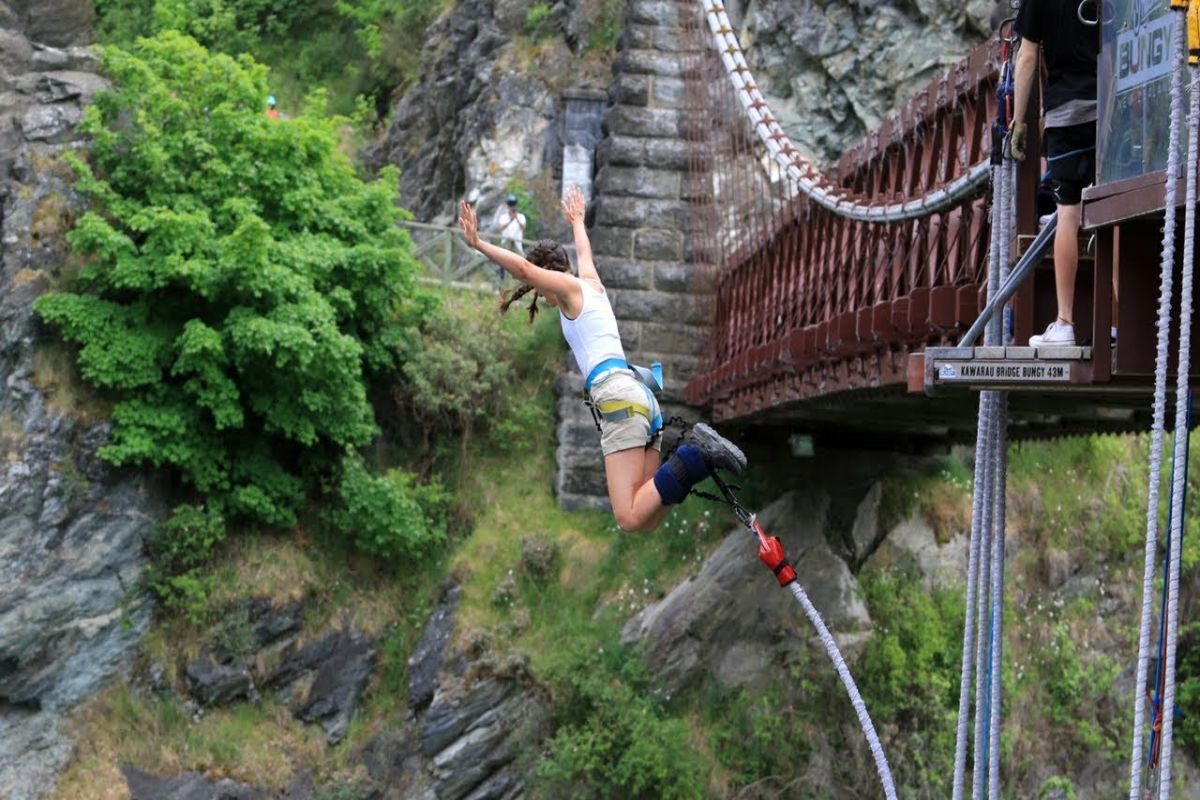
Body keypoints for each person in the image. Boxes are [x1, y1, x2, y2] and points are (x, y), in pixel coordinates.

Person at [457, 186, 747, 532]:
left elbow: (522, 269)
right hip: (643, 399)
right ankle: (694, 460)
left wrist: (478, 243)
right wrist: (577, 221)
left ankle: (696, 454)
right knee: (645, 517)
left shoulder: (568, 290)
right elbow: (584, 253)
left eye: (539, 285)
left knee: (627, 517)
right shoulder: (591, 284)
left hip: (617, 398)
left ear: (549, 275)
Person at [1011, 0, 1100, 347]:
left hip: (1067, 111)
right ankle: (1122, 327)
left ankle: (1064, 322)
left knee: (1068, 210)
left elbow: (1028, 58)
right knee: (1115, 209)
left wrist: (1019, 123)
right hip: (1112, 104)